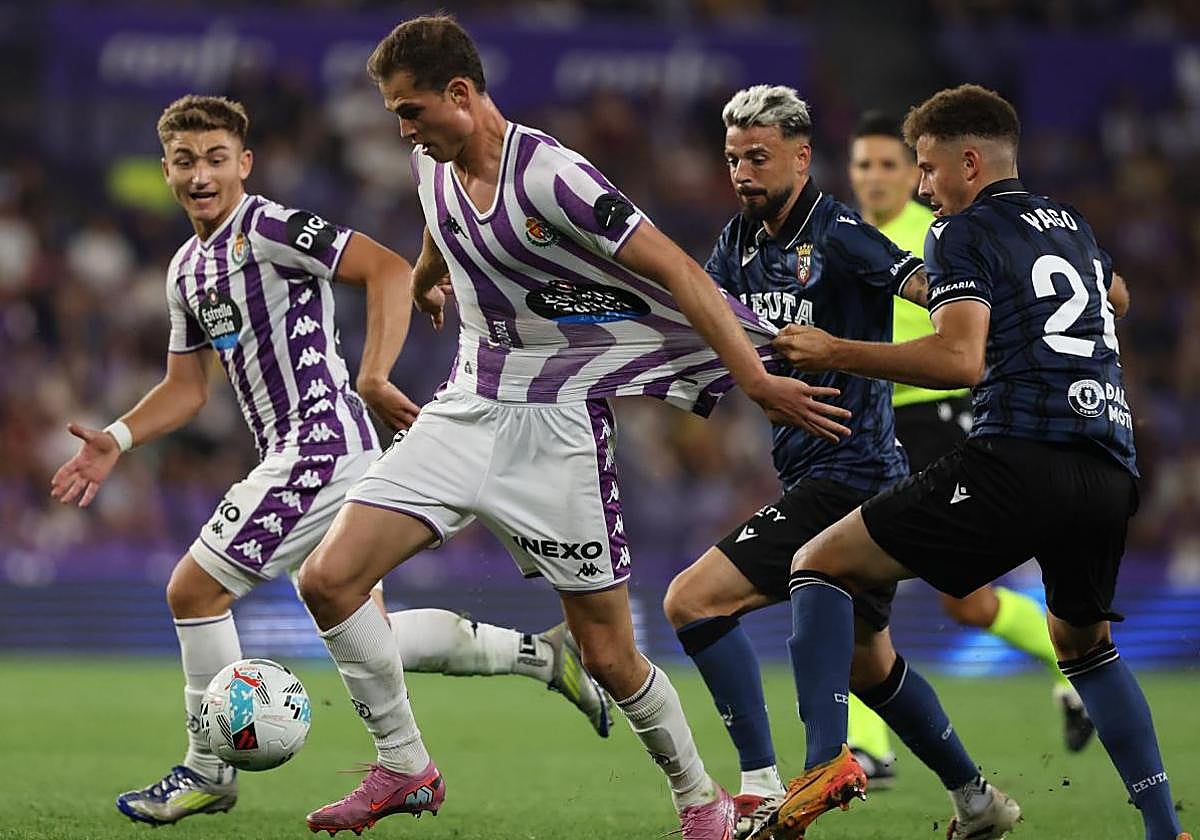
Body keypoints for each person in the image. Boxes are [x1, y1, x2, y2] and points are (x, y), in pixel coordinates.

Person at [294, 16, 854, 840]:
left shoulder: (553, 176)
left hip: (556, 431)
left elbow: (676, 268)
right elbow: (440, 220)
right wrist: (425, 276)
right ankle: (405, 766)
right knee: (327, 579)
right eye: (395, 114)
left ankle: (701, 803)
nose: (402, 129)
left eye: (411, 110)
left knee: (607, 655)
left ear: (461, 93)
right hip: (465, 410)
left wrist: (753, 377)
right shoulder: (430, 160)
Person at [49, 94, 611, 828]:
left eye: (216, 159)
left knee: (193, 590)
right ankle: (542, 655)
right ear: (165, 171)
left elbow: (385, 269)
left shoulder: (270, 228)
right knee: (367, 631)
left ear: (245, 164)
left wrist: (373, 375)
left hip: (318, 445)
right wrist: (117, 439)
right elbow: (186, 388)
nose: (201, 175)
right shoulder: (187, 269)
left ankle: (208, 769)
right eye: (185, 161)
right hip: (306, 452)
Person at [767, 84, 1190, 840]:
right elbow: (1117, 296)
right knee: (1085, 648)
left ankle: (828, 762)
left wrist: (834, 351)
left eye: (929, 169)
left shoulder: (958, 232)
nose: (923, 186)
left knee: (819, 564)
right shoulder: (1072, 223)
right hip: (1108, 465)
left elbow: (960, 361)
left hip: (1017, 455)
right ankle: (1166, 830)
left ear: (970, 163)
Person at [661, 85, 1019, 840]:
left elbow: (927, 287)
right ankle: (977, 800)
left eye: (759, 157)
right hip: (821, 474)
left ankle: (761, 787)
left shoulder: (843, 234)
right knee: (868, 665)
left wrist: (999, 302)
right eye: (733, 158)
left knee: (692, 601)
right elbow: (706, 325)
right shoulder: (736, 244)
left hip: (851, 474)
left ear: (801, 157)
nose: (743, 173)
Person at [842, 110, 1096, 781]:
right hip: (869, 421)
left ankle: (1073, 666)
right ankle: (867, 744)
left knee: (965, 602)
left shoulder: (939, 234)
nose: (875, 177)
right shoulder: (840, 239)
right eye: (864, 165)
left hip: (941, 418)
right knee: (843, 574)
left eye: (890, 165)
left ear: (915, 174)